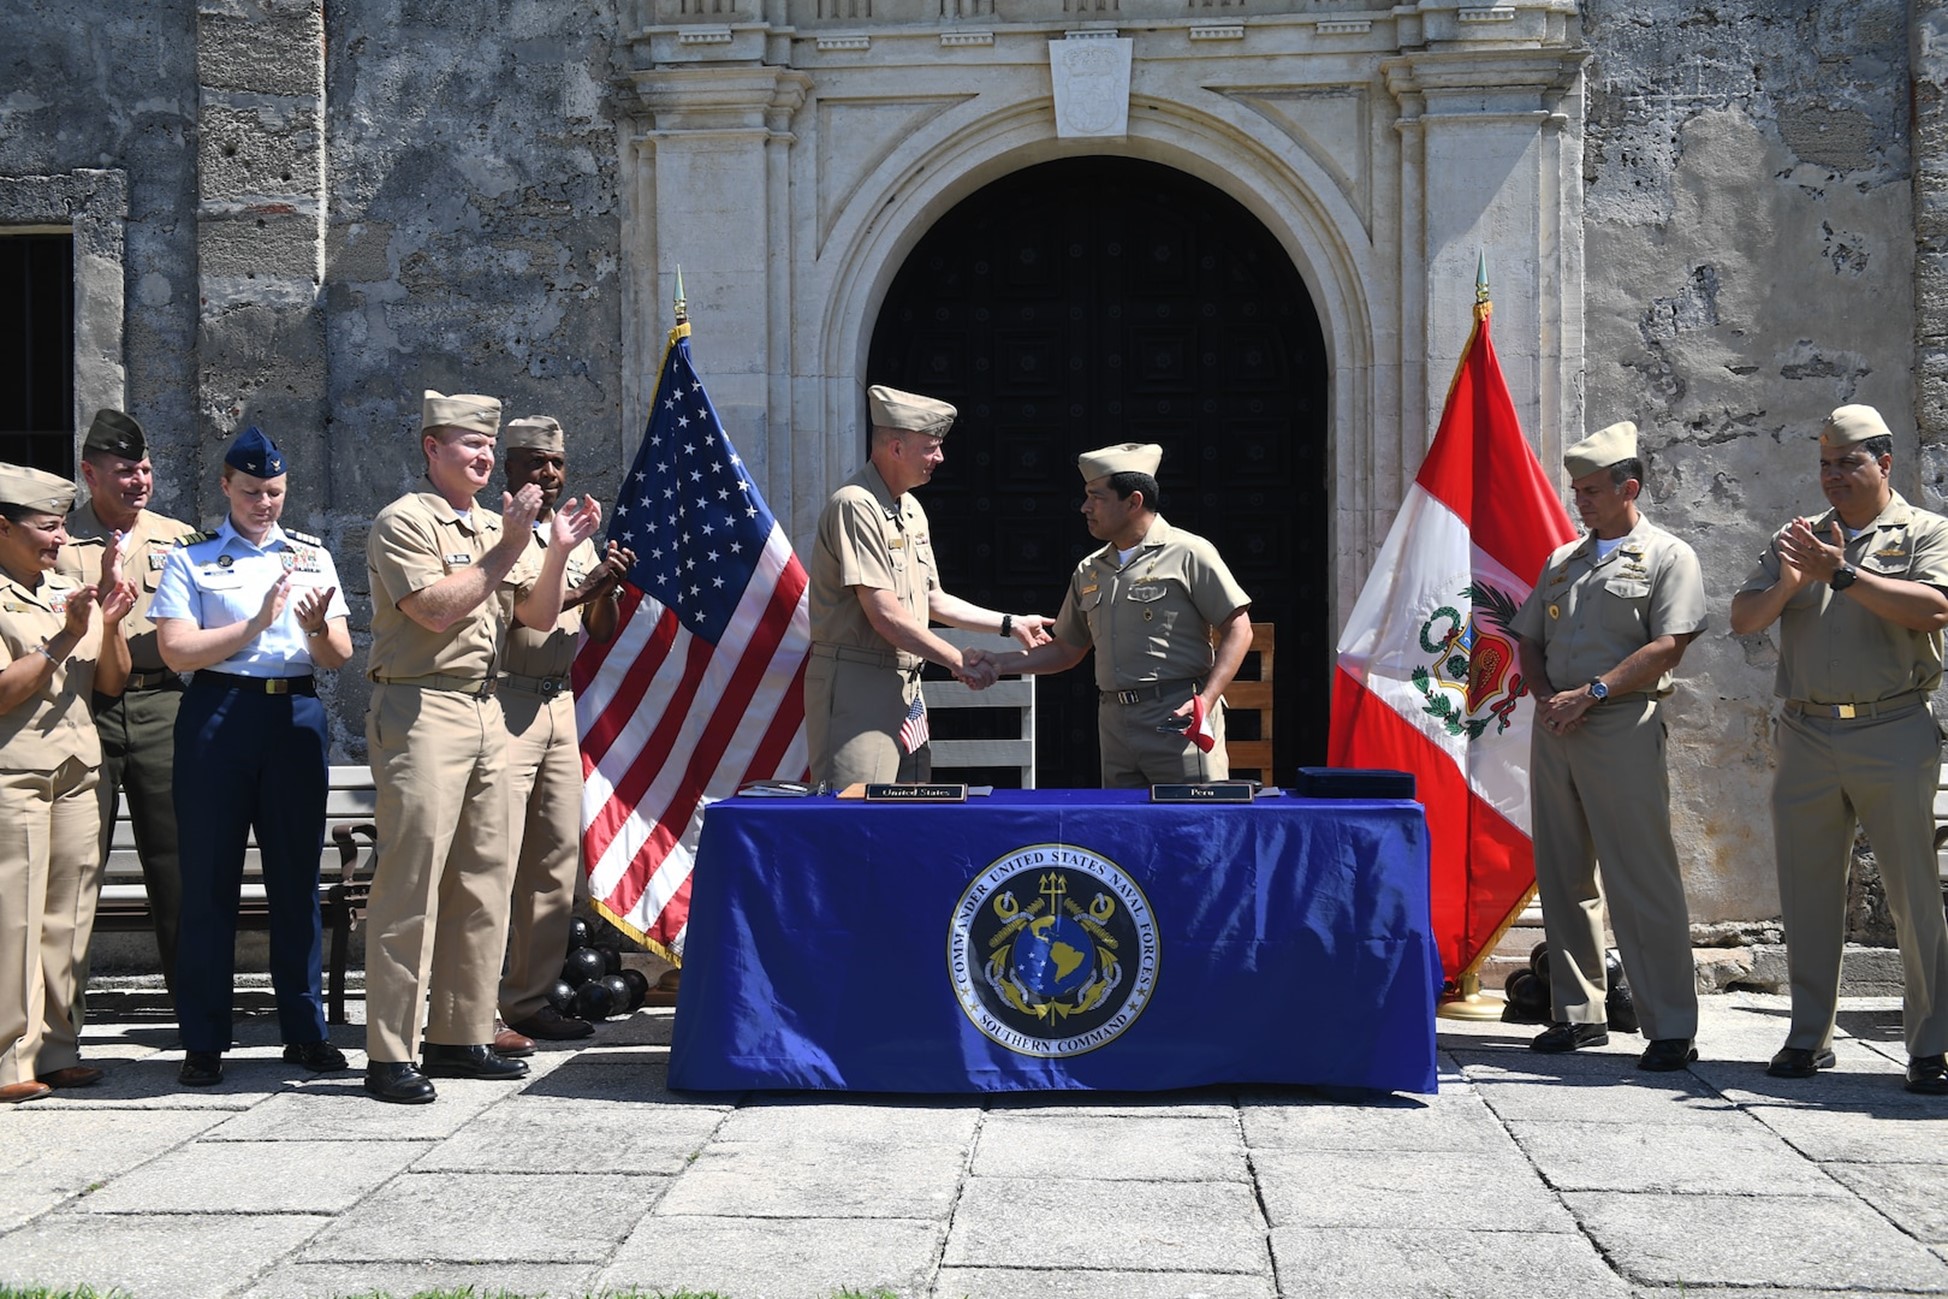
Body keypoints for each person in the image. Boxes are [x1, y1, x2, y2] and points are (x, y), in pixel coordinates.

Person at [360, 390, 601, 1104]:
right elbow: (433, 610)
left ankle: (460, 1033)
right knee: (414, 880)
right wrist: (507, 548)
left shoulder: (503, 526)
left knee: (485, 879)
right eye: (468, 445)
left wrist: (553, 550)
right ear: (432, 448)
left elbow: (536, 612)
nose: (483, 456)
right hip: (422, 703)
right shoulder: (407, 520)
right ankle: (389, 1050)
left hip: (486, 706)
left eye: (487, 446)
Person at [1728, 403, 1948, 1095]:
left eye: (1847, 462)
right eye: (1824, 464)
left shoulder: (1923, 531)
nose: (1833, 476)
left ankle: (1931, 1044)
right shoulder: (1797, 537)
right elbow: (1744, 619)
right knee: (1807, 889)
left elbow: (1935, 607)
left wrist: (1842, 573)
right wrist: (1795, 578)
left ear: (1885, 462)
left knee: (1914, 893)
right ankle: (1807, 1036)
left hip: (1892, 727)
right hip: (1807, 730)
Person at [151, 427, 354, 1087]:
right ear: (225, 488)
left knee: (295, 878)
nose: (263, 503)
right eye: (250, 491)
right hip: (219, 713)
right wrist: (258, 624)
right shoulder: (194, 557)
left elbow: (339, 656)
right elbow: (178, 650)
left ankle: (306, 1031)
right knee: (211, 879)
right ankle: (205, 1036)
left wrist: (316, 628)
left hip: (293, 713)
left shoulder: (312, 557)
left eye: (273, 491)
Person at [1509, 420, 1707, 1071]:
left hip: (1620, 724)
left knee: (1640, 875)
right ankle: (1578, 1011)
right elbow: (1529, 639)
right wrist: (1544, 697)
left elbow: (1669, 644)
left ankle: (1670, 1022)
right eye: (1576, 490)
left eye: (1591, 489)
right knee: (1564, 874)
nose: (1580, 501)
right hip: (1556, 726)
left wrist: (1590, 693)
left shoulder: (1667, 557)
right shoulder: (1562, 562)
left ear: (1630, 487)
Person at [805, 384, 1050, 787]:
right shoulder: (855, 505)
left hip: (907, 686)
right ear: (896, 448)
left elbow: (933, 598)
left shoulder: (912, 509)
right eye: (930, 447)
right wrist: (957, 660)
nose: (940, 458)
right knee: (855, 815)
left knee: (909, 809)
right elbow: (884, 615)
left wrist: (1009, 624)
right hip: (858, 687)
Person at [972, 443, 1251, 787]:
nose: (1085, 507)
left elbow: (1239, 628)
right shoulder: (1089, 570)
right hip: (1115, 724)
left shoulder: (1189, 552)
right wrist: (1000, 663)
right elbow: (1066, 650)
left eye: (1096, 497)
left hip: (1178, 719)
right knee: (1122, 833)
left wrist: (1206, 701)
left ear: (1133, 501)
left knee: (1191, 830)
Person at [494, 416, 633, 1050]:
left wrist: (604, 582)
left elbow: (599, 630)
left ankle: (528, 998)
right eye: (533, 463)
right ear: (508, 468)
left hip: (559, 699)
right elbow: (525, 614)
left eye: (555, 463)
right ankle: (471, 1004)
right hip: (506, 698)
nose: (547, 475)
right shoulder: (500, 529)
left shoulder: (570, 534)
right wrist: (583, 587)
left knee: (554, 858)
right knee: (492, 857)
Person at [0, 464, 136, 1104]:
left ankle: (57, 1047)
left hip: (78, 771)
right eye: (48, 527)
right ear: (4, 528)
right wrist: (62, 642)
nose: (60, 539)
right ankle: (7, 1059)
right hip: (15, 772)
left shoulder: (66, 588)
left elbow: (111, 682)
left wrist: (107, 618)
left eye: (61, 526)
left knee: (69, 916)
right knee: (14, 920)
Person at [58, 410, 198, 1006]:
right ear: (90, 473)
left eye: (144, 469)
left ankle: (193, 1008)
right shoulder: (58, 539)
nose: (138, 481)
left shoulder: (181, 537)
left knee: (176, 864)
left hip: (160, 702)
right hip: (80, 704)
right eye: (123, 470)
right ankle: (60, 1019)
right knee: (76, 863)